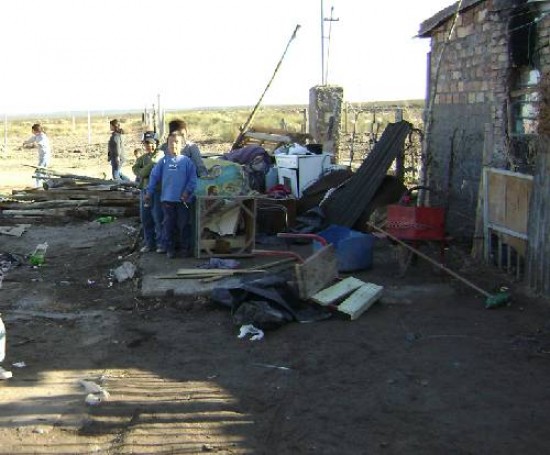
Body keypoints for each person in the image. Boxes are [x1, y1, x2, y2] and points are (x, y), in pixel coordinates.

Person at [145, 132, 197, 259]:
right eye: (171, 142)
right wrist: (149, 193)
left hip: (183, 201)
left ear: (182, 145)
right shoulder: (163, 162)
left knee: (184, 225)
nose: (174, 145)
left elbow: (193, 180)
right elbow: (153, 177)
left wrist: (187, 192)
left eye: (177, 142)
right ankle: (170, 249)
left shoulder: (187, 162)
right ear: (167, 145)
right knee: (168, 225)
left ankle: (185, 249)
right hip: (167, 200)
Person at [132, 136, 163, 253]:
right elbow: (135, 168)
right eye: (146, 144)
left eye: (151, 143)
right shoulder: (143, 158)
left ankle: (160, 244)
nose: (149, 146)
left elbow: (151, 166)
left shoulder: (160, 155)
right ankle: (149, 244)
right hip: (144, 190)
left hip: (156, 190)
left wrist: (143, 172)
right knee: (146, 218)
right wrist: (141, 172)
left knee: (158, 217)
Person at [22, 123, 52, 188]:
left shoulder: (42, 136)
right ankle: (48, 184)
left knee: (39, 171)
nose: (32, 132)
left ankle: (39, 186)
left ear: (36, 130)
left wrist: (31, 146)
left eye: (33, 130)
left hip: (45, 156)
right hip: (41, 156)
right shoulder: (37, 136)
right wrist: (25, 142)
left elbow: (38, 143)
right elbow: (31, 139)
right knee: (43, 172)